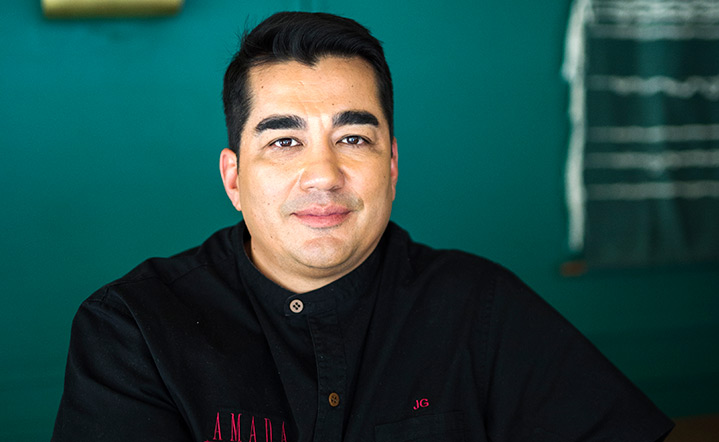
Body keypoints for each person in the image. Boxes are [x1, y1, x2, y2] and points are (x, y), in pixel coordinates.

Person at [52, 11, 674, 442]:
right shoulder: (132, 329)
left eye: (353, 137)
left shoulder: (480, 307)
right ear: (234, 178)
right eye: (285, 141)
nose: (323, 175)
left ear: (393, 165)